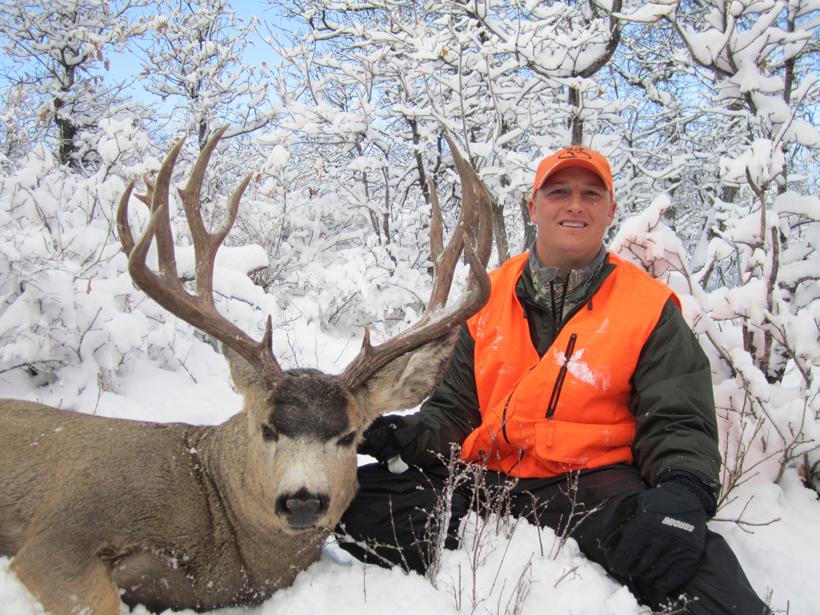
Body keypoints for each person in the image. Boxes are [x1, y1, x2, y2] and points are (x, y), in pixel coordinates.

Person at [337, 145, 770, 614]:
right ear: (533, 207)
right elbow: (456, 410)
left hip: (594, 489)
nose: (575, 205)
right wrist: (409, 435)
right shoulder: (486, 296)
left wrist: (682, 490)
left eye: (591, 194)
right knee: (347, 501)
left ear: (610, 210)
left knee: (697, 576)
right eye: (559, 192)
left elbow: (678, 419)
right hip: (485, 480)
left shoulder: (648, 307)